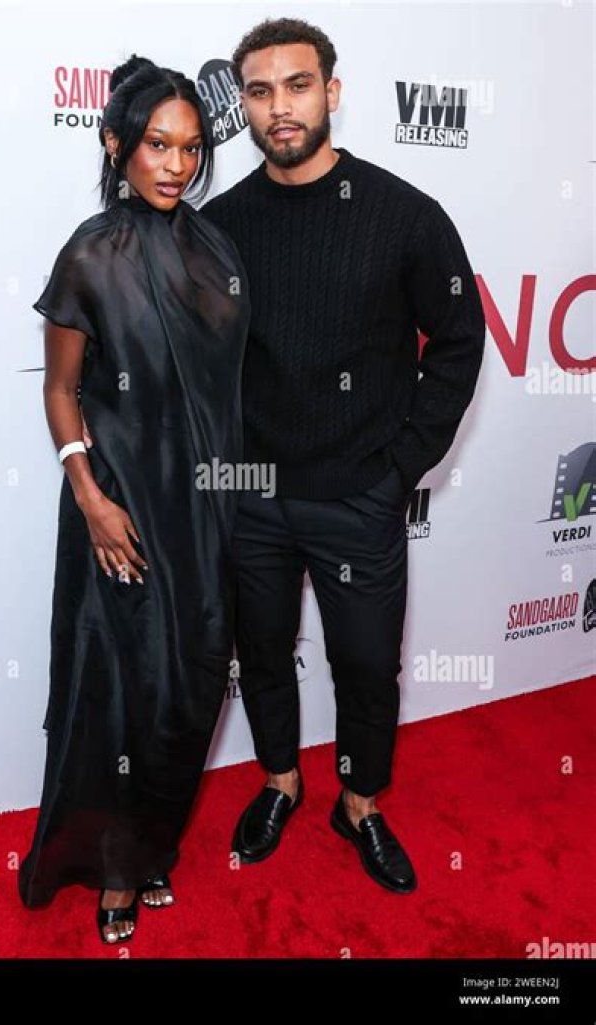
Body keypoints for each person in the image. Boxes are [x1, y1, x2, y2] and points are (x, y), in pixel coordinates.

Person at [200, 17, 486, 893]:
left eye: (297, 85)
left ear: (332, 91)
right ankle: (281, 781)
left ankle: (359, 802)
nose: (279, 107)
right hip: (251, 492)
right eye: (260, 91)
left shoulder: (403, 214)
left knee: (365, 664)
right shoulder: (219, 226)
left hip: (361, 492)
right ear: (244, 105)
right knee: (262, 649)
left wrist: (402, 465)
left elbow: (460, 338)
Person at [18, 54, 250, 943]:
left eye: (190, 148)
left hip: (205, 510)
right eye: (157, 144)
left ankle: (153, 844)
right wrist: (88, 495)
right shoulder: (90, 253)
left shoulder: (217, 249)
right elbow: (60, 389)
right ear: (116, 144)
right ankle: (116, 867)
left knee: (188, 690)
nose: (176, 165)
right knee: (119, 693)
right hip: (119, 508)